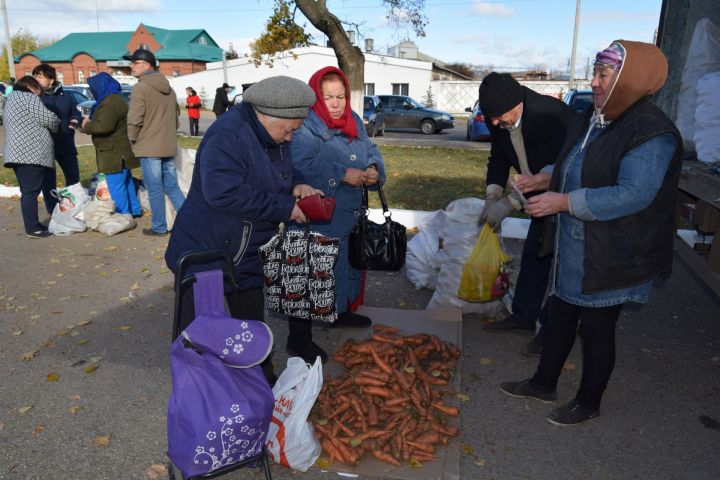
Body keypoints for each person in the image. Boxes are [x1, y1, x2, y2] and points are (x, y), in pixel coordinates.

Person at [500, 41, 682, 426]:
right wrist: (544, 177)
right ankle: (543, 383)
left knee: (598, 328)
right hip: (579, 246)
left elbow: (633, 194)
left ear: (630, 80)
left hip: (617, 249)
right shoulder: (594, 116)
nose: (594, 83)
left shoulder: (651, 132)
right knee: (562, 314)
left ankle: (588, 401)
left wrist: (562, 202)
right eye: (595, 73)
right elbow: (578, 162)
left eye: (603, 75)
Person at [165, 75, 320, 384]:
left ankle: (259, 382)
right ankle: (199, 391)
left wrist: (298, 183)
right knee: (200, 330)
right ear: (265, 115)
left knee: (249, 322)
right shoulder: (228, 134)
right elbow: (224, 193)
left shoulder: (271, 133)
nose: (290, 138)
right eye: (288, 130)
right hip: (206, 250)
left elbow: (281, 168)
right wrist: (285, 208)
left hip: (246, 248)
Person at [478, 72, 575, 357]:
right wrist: (492, 196)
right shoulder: (499, 118)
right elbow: (498, 158)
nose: (495, 123)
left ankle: (552, 332)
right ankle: (523, 316)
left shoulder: (550, 116)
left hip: (566, 194)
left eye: (498, 116)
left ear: (517, 102)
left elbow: (553, 170)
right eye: (491, 117)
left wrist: (509, 205)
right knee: (535, 253)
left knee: (562, 268)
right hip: (536, 192)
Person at [291, 66, 387, 347]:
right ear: (316, 97)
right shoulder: (306, 124)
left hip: (350, 211)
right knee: (320, 265)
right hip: (322, 213)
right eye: (329, 97)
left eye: (341, 96)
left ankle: (341, 311)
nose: (336, 103)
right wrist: (343, 173)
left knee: (346, 262)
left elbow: (371, 150)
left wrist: (373, 169)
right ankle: (310, 327)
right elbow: (301, 165)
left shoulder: (353, 119)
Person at [125, 48, 185, 236]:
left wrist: (133, 139)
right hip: (167, 145)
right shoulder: (170, 89)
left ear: (147, 65)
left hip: (149, 146)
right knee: (172, 186)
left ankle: (159, 227)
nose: (131, 66)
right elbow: (176, 119)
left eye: (135, 63)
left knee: (155, 189)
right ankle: (191, 222)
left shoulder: (141, 87)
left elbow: (134, 119)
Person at [2, 75, 60, 238]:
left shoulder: (11, 99)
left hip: (15, 153)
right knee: (30, 192)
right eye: (39, 92)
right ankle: (33, 228)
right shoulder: (28, 97)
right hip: (30, 154)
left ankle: (33, 225)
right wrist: (57, 123)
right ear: (33, 87)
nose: (39, 96)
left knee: (27, 191)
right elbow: (49, 119)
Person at [80, 73, 141, 216]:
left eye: (93, 87)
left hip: (113, 152)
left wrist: (85, 125)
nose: (92, 90)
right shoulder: (115, 99)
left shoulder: (110, 103)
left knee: (116, 185)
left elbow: (103, 127)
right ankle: (134, 210)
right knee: (126, 182)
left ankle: (123, 215)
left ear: (101, 86)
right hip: (121, 151)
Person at [33, 64, 82, 214]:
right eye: (35, 76)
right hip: (46, 145)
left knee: (73, 177)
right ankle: (53, 210)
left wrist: (73, 123)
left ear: (51, 79)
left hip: (66, 142)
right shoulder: (36, 98)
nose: (36, 79)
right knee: (48, 181)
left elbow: (76, 113)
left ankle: (74, 208)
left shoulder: (65, 96)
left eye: (40, 76)